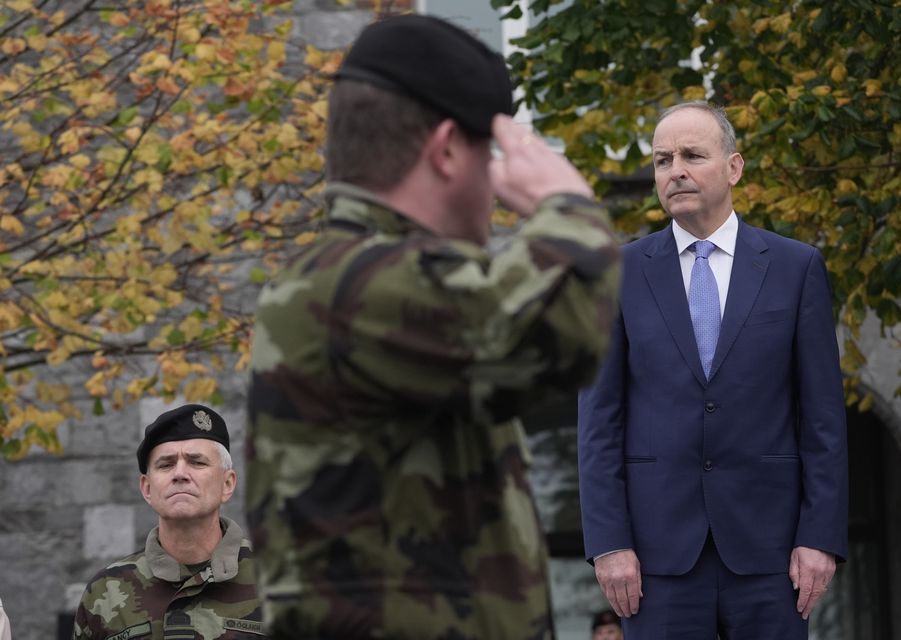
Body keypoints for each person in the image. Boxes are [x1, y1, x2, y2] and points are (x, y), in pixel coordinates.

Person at [244, 13, 623, 640]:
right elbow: (556, 333)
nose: (497, 186)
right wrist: (569, 206)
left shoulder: (373, 280)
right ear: (447, 149)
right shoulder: (353, 285)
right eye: (489, 157)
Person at [577, 101, 848, 638]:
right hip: (655, 560)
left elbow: (823, 419)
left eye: (692, 155)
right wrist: (609, 543)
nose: (674, 169)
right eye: (661, 159)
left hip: (772, 555)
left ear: (734, 167)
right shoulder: (616, 275)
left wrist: (819, 536)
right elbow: (598, 423)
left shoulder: (796, 269)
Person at [73, 404, 263, 639]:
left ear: (227, 484)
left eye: (197, 462)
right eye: (166, 464)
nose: (180, 473)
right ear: (147, 488)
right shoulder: (106, 591)